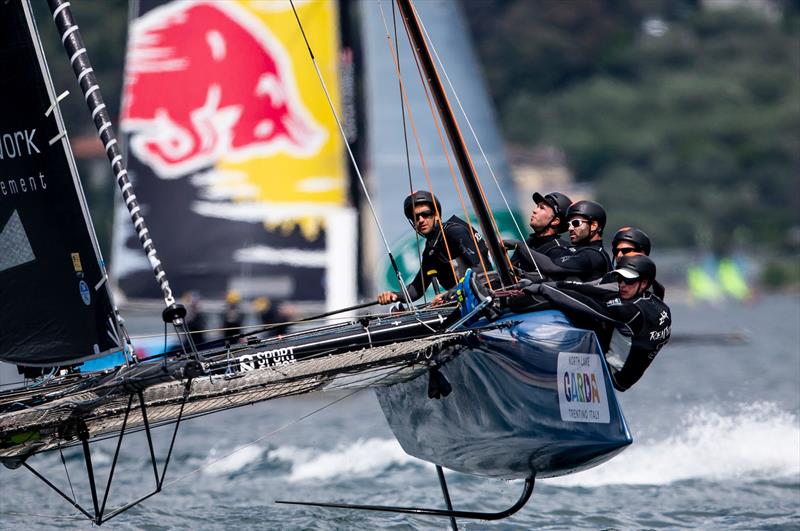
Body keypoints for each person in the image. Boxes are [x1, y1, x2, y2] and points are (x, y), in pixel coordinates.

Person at [526, 255, 671, 391]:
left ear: (644, 283)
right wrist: (555, 284)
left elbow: (583, 303)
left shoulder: (630, 313)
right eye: (619, 278)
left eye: (629, 281)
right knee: (593, 295)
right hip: (630, 368)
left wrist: (543, 289)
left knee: (574, 310)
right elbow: (593, 291)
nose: (622, 284)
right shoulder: (659, 305)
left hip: (614, 376)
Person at [377, 190, 492, 305]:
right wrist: (394, 295)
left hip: (488, 297)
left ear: (436, 215)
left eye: (425, 214)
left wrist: (451, 293)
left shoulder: (454, 232)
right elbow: (416, 289)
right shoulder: (431, 250)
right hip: (468, 303)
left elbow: (481, 268)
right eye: (415, 217)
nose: (421, 220)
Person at [517, 200, 612, 282]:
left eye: (576, 223)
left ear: (594, 225)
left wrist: (520, 246)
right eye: (569, 224)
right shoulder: (574, 251)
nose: (570, 228)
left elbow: (551, 267)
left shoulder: (593, 255)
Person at [507, 191, 572, 269]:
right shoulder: (529, 242)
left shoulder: (560, 250)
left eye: (542, 208)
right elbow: (508, 273)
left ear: (555, 221)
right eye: (537, 206)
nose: (534, 211)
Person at [611, 226, 666, 299]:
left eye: (626, 251)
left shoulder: (651, 288)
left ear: (642, 252)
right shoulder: (609, 276)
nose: (619, 255)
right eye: (616, 251)